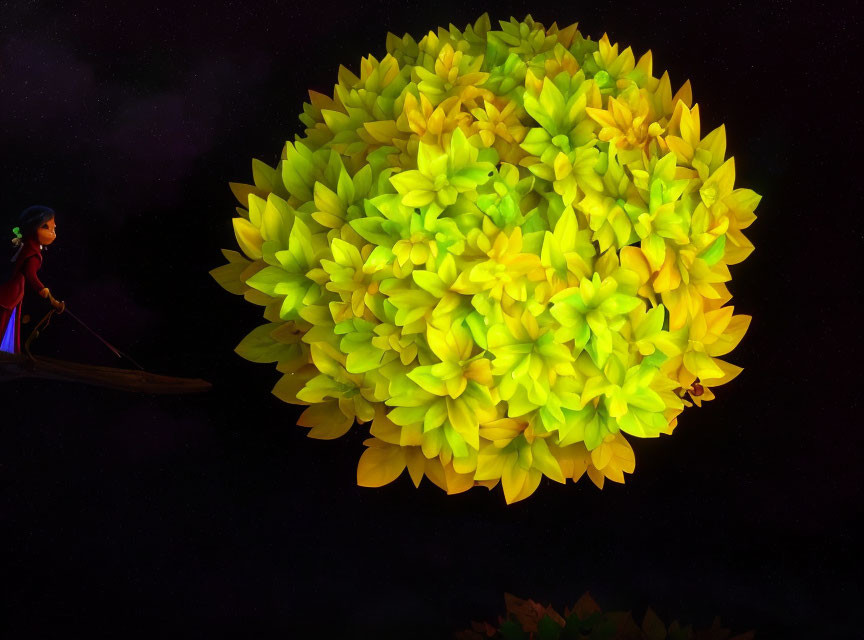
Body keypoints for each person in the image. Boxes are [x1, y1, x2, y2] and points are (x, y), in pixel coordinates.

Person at [0, 205, 65, 355]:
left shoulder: (25, 246)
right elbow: (30, 275)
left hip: (11, 289)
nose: (53, 233)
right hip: (11, 291)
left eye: (53, 228)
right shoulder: (32, 252)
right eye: (46, 227)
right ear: (33, 227)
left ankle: (6, 353)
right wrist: (44, 292)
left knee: (8, 322)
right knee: (4, 320)